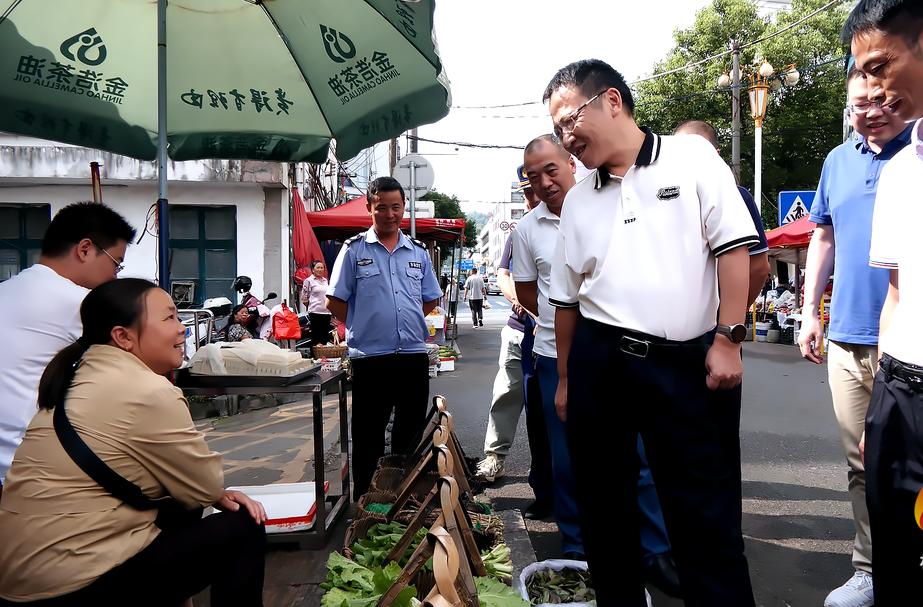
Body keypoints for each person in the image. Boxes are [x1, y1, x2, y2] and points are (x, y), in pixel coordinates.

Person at [545, 59, 758, 606]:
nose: (567, 138)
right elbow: (567, 302)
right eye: (558, 129)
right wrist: (567, 380)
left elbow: (733, 247)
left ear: (611, 101)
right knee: (605, 516)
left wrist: (728, 338)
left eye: (570, 121)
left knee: (705, 522)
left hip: (685, 365)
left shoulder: (690, 157)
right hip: (600, 363)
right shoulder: (577, 200)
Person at [0, 278, 267, 605]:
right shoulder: (148, 391)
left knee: (179, 508)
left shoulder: (76, 378)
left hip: (20, 582)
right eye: (169, 318)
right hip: (69, 586)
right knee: (242, 526)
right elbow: (205, 486)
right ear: (123, 337)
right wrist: (216, 493)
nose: (182, 328)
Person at [796, 65, 911, 607]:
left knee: (910, 467)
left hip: (911, 345)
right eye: (859, 103)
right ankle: (870, 569)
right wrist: (810, 311)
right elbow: (823, 236)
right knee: (861, 465)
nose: (871, 111)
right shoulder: (838, 162)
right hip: (846, 337)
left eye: (882, 99)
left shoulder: (916, 157)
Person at [845, 1, 923, 602]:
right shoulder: (902, 172)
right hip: (899, 390)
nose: (871, 89)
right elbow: (898, 288)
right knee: (896, 553)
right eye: (861, 75)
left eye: (879, 67)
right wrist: (882, 409)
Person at [0, 201, 135, 483]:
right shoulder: (81, 303)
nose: (115, 276)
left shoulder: (7, 290)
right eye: (116, 263)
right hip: (28, 466)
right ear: (85, 249)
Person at [326, 177, 442, 496]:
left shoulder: (417, 251)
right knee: (368, 435)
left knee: (410, 433)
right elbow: (333, 300)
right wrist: (363, 325)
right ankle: (368, 501)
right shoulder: (353, 250)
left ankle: (403, 497)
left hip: (412, 357)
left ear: (404, 207)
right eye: (382, 208)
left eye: (396, 207)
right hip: (371, 359)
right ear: (369, 208)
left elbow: (431, 296)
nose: (390, 214)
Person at [475, 165, 554, 522]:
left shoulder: (575, 218)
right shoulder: (522, 229)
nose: (532, 198)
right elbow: (504, 275)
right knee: (509, 394)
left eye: (535, 189)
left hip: (557, 335)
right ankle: (494, 456)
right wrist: (522, 303)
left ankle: (561, 488)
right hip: (522, 330)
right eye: (525, 193)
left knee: (552, 413)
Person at [673, 119, 771, 303]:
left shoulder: (737, 196)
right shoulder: (662, 198)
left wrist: (730, 318)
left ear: (717, 155)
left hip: (712, 325)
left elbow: (759, 267)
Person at [302, 260, 333, 348]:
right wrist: (312, 306)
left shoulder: (325, 280)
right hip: (315, 312)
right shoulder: (308, 281)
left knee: (325, 335)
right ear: (313, 270)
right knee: (316, 335)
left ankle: (324, 355)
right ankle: (316, 355)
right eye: (318, 268)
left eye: (322, 268)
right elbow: (304, 298)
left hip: (326, 312)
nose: (320, 270)